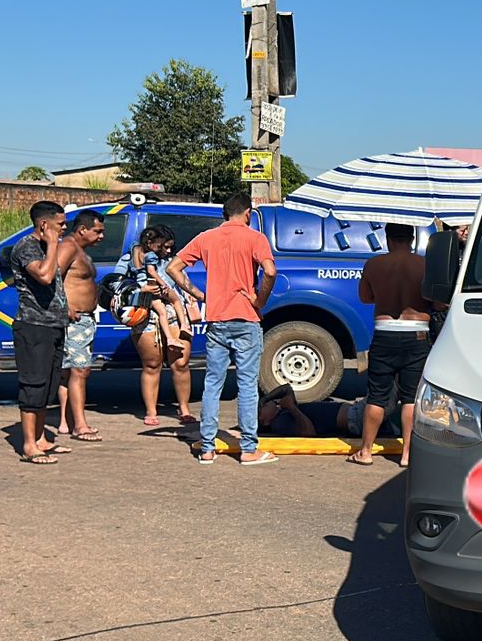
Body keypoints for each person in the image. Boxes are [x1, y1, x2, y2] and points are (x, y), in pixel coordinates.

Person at [167, 193, 278, 466]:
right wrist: (259, 299)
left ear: (224, 214)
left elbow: (173, 268)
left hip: (217, 319)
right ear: (248, 213)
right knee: (247, 385)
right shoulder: (254, 238)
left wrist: (199, 294)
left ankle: (207, 448)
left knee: (213, 384)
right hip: (246, 319)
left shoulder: (206, 238)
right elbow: (270, 272)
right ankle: (249, 449)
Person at [348, 222, 430, 467]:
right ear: (412, 239)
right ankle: (408, 453)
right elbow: (436, 301)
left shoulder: (374, 264)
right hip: (417, 334)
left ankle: (366, 451)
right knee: (411, 397)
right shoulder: (424, 265)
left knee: (377, 396)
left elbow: (364, 297)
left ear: (388, 238)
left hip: (385, 333)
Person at [7, 201, 70, 464]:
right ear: (44, 224)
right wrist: (54, 244)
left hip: (54, 325)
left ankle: (42, 438)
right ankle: (29, 445)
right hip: (33, 327)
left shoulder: (45, 247)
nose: (65, 228)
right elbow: (43, 276)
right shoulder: (27, 247)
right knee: (33, 384)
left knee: (48, 386)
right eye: (60, 224)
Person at [121, 226, 194, 426]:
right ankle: (151, 410)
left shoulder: (172, 262)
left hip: (175, 316)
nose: (168, 250)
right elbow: (115, 284)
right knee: (152, 365)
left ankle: (184, 408)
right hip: (145, 316)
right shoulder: (130, 260)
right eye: (165, 246)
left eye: (171, 247)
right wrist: (139, 289)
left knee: (181, 364)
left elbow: (184, 284)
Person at [54, 210, 107, 442]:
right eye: (98, 231)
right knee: (79, 371)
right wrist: (64, 307)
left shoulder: (80, 251)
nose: (101, 236)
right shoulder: (68, 247)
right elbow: (52, 276)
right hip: (73, 320)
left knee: (69, 372)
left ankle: (66, 422)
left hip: (83, 320)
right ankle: (80, 426)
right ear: (83, 229)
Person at [257, 384, 401, 440]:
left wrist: (265, 399)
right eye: (261, 408)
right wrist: (292, 409)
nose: (265, 404)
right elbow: (309, 432)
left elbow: (287, 389)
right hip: (355, 418)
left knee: (394, 384)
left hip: (355, 411)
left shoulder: (283, 411)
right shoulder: (280, 423)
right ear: (266, 421)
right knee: (390, 383)